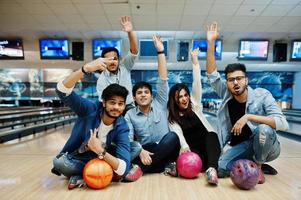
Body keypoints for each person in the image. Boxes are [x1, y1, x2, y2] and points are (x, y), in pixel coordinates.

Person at [205, 22, 289, 183]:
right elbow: (211, 74)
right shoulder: (226, 93)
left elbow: (283, 123)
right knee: (222, 168)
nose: (235, 83)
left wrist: (249, 117)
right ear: (227, 83)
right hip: (242, 146)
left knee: (263, 129)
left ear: (246, 80)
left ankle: (257, 165)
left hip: (267, 144)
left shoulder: (262, 95)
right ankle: (253, 164)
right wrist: (211, 42)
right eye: (231, 80)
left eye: (239, 78)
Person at [51, 57, 140, 190]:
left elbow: (123, 169)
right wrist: (84, 69)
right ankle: (96, 172)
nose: (116, 107)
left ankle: (82, 175)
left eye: (120, 104)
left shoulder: (122, 126)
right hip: (79, 158)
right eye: (112, 102)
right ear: (103, 103)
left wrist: (100, 151)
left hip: (103, 155)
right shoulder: (89, 109)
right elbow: (62, 91)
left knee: (136, 147)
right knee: (59, 162)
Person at [125, 35, 180, 174]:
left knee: (172, 137)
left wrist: (161, 52)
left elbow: (162, 79)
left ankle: (141, 169)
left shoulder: (160, 103)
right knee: (140, 148)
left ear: (151, 95)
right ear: (134, 97)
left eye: (146, 92)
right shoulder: (130, 114)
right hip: (146, 152)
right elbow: (129, 139)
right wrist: (140, 150)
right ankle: (161, 166)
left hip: (167, 148)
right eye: (139, 93)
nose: (143, 94)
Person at [167, 49, 221, 185]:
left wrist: (195, 61)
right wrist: (184, 146)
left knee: (212, 135)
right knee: (193, 160)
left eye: (185, 95)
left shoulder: (195, 105)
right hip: (193, 150)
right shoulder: (173, 118)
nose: (184, 99)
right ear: (175, 100)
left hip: (209, 145)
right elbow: (178, 134)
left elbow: (197, 83)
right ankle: (183, 168)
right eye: (180, 96)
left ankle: (211, 169)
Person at [96, 16, 138, 112]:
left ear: (119, 60)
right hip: (113, 108)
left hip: (128, 106)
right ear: (104, 62)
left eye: (114, 59)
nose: (112, 62)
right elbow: (103, 101)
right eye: (108, 60)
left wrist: (130, 32)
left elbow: (134, 50)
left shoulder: (125, 67)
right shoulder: (101, 79)